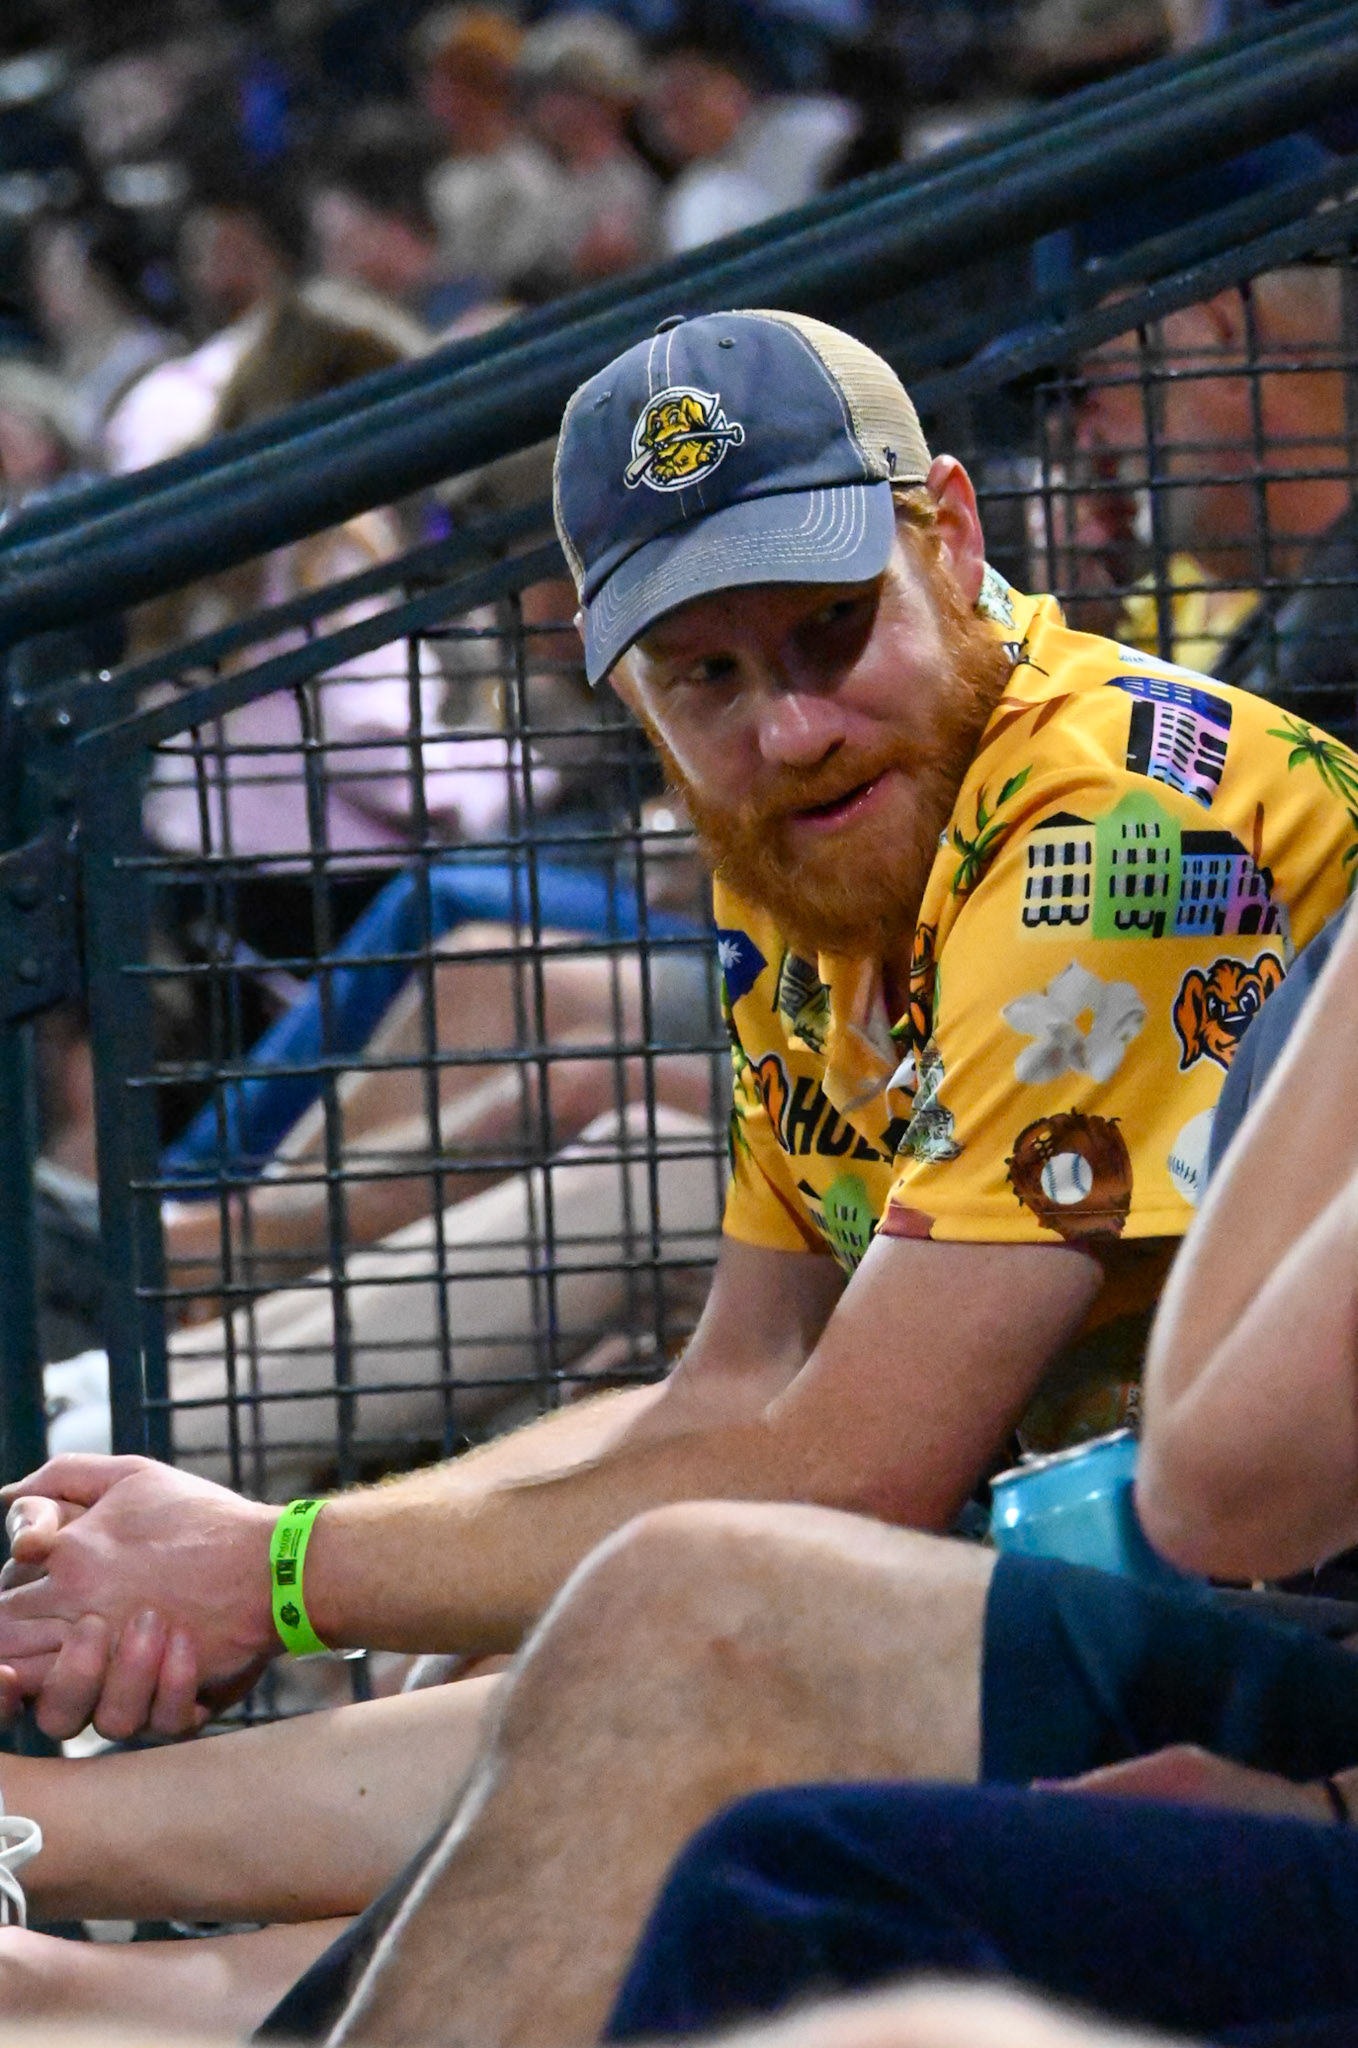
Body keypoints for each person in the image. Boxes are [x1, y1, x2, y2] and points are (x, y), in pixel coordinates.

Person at [0, 307, 1354, 1744]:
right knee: (468, 1706)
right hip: (1124, 1581)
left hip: (1279, 1631)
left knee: (537, 1717)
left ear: (952, 537)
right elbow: (739, 1383)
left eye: (831, 626)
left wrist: (279, 1577)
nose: (788, 729)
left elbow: (856, 1470)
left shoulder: (1113, 826)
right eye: (706, 674)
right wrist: (307, 1565)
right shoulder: (804, 820)